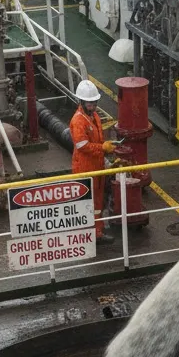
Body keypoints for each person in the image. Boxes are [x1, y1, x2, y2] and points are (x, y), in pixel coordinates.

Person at [70, 79, 118, 244]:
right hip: (85, 167)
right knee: (88, 202)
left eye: (94, 103)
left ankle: (97, 231)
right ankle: (89, 234)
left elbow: (98, 140)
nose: (93, 106)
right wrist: (103, 148)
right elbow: (82, 145)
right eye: (89, 104)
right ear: (81, 102)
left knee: (97, 201)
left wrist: (105, 160)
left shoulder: (94, 116)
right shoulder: (78, 121)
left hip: (96, 165)